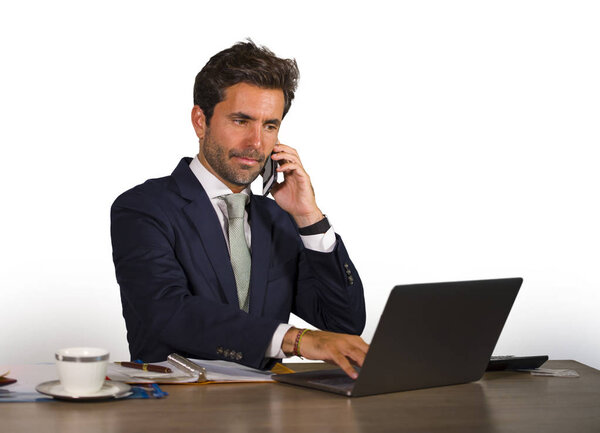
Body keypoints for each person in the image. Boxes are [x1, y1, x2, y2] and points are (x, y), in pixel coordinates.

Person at [110, 40, 368, 378]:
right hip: (176, 407)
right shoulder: (144, 208)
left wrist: (308, 218)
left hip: (269, 405)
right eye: (241, 121)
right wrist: (295, 340)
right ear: (200, 121)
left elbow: (343, 323)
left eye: (270, 125)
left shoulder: (278, 219)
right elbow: (168, 313)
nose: (257, 143)